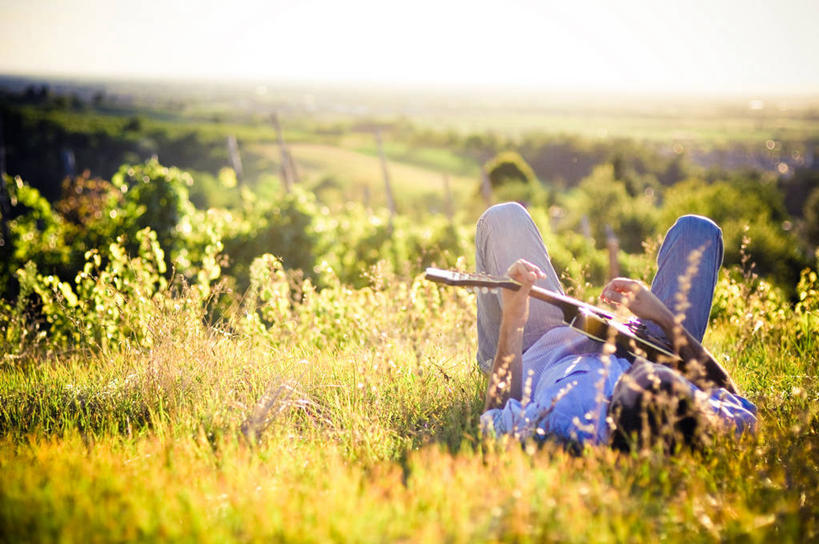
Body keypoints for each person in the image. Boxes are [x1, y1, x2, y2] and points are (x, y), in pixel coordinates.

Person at [476, 202, 757, 451]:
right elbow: (731, 393)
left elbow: (494, 417)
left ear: (613, 409)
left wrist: (512, 322)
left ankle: (490, 356)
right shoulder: (697, 415)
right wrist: (663, 318)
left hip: (548, 346)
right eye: (665, 376)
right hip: (649, 342)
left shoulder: (568, 413)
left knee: (502, 217)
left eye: (638, 377)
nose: (646, 368)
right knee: (698, 230)